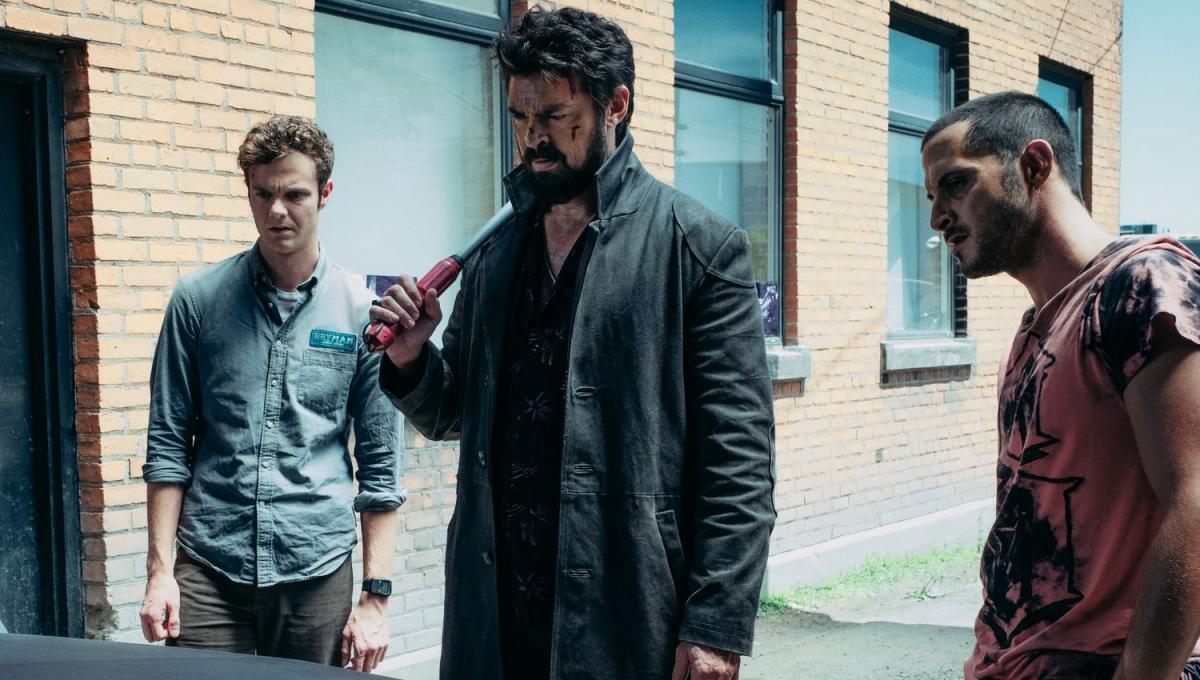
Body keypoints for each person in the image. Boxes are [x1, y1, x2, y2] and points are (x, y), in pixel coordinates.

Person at [368, 7, 775, 680]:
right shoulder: (495, 250)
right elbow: (452, 414)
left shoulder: (698, 248)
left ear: (616, 105)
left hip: (625, 610)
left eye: (556, 116)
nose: (533, 138)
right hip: (494, 616)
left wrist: (716, 625)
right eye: (520, 117)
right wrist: (411, 356)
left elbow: (738, 461)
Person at [921, 91, 1200, 679]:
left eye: (956, 184)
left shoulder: (1144, 283)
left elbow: (1195, 498)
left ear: (1033, 165)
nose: (938, 216)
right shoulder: (1036, 326)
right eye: (932, 196)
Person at [139, 115, 404, 673]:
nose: (277, 210)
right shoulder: (197, 301)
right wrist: (160, 572)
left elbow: (382, 467)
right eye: (263, 194)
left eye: (294, 194)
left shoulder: (364, 313)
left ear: (325, 194)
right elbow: (167, 444)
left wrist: (375, 600)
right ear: (249, 191)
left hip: (316, 570)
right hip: (210, 566)